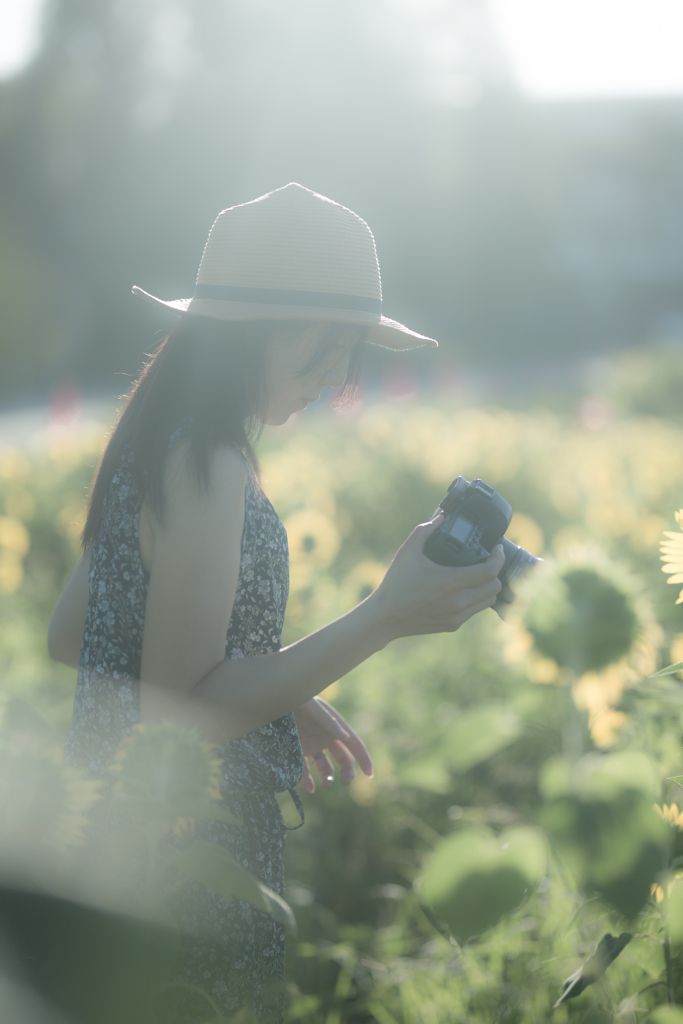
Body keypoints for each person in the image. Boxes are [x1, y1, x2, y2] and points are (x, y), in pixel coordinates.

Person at [48, 183, 504, 1023]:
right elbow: (181, 709)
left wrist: (281, 696)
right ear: (253, 333)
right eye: (325, 351)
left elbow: (77, 636)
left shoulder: (157, 443)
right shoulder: (212, 465)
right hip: (187, 857)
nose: (336, 379)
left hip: (107, 845)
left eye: (350, 356)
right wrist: (384, 616)